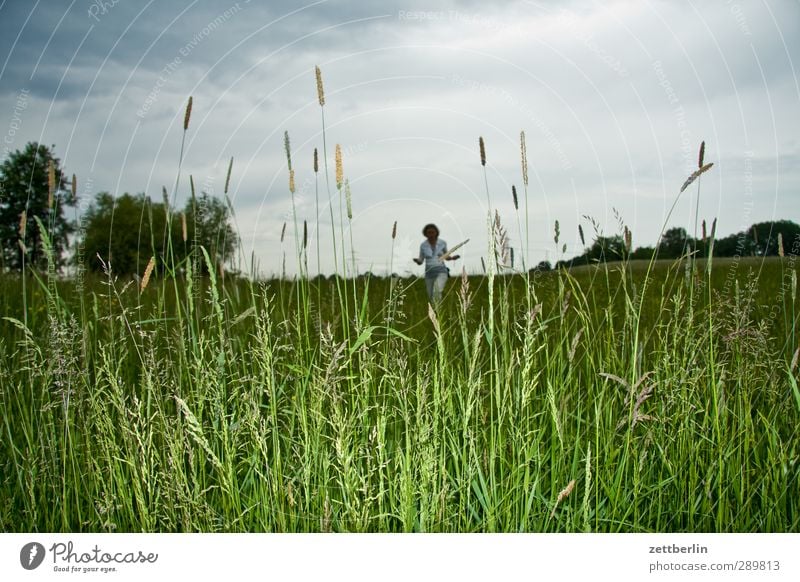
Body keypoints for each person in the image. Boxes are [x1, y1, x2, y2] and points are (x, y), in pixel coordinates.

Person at [413, 223, 460, 304]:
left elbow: (446, 256)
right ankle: (434, 313)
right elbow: (421, 260)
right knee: (431, 295)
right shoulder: (423, 245)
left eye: (432, 232)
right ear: (425, 234)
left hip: (441, 271)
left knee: (437, 291)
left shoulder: (442, 243)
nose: (431, 234)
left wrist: (452, 258)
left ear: (436, 232)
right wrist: (417, 261)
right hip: (429, 273)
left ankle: (438, 311)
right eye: (429, 232)